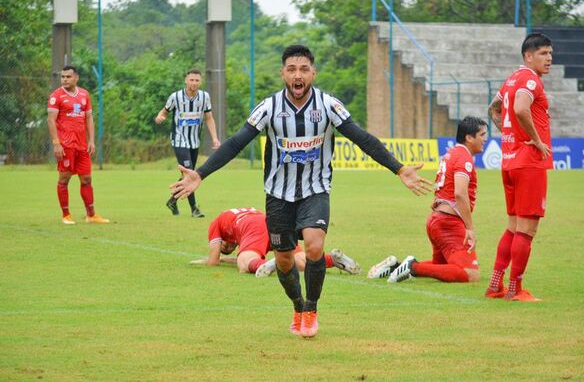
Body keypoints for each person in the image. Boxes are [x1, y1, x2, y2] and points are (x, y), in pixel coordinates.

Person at [170, 45, 432, 338]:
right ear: (283, 73)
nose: (298, 75)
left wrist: (398, 168)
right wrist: (201, 173)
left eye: (304, 69)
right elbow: (236, 143)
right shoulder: (268, 108)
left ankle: (311, 308)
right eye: (292, 69)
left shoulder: (329, 106)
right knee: (283, 259)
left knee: (314, 246)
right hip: (278, 195)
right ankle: (297, 305)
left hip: (315, 190)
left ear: (313, 73)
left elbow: (362, 138)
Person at [367, 116, 488, 284]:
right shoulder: (463, 157)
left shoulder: (451, 153)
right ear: (469, 137)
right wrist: (470, 228)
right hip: (449, 223)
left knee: (442, 265)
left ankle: (396, 267)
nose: (485, 139)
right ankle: (412, 268)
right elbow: (460, 193)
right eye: (482, 134)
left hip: (437, 220)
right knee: (469, 274)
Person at [484, 33, 554, 302]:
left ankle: (495, 285)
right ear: (528, 55)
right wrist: (535, 141)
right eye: (543, 53)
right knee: (527, 229)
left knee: (514, 226)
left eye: (550, 53)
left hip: (511, 161)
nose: (549, 58)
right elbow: (522, 108)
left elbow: (494, 108)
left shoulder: (512, 78)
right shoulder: (529, 80)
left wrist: (507, 133)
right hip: (529, 163)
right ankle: (515, 289)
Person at [188, 207, 361, 277]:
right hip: (271, 220)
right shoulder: (236, 215)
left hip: (252, 226)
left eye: (224, 246)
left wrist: (205, 261)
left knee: (243, 263)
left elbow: (213, 261)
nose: (229, 247)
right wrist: (226, 258)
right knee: (300, 262)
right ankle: (334, 260)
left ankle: (271, 265)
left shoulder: (216, 224)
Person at [47, 66, 109, 225]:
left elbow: (89, 118)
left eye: (68, 76)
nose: (65, 79)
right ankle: (66, 215)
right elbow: (51, 120)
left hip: (82, 146)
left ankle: (91, 215)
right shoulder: (56, 96)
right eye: (63, 77)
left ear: (76, 78)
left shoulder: (84, 94)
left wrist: (91, 141)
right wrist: (56, 143)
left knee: (87, 179)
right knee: (64, 178)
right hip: (66, 145)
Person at [155, 69, 221, 218]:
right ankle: (194, 209)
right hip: (179, 140)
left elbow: (209, 118)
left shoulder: (204, 97)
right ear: (186, 80)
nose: (194, 83)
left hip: (194, 141)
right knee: (190, 172)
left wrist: (215, 138)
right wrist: (159, 117)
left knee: (190, 174)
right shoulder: (176, 97)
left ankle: (172, 200)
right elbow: (164, 112)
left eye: (197, 80)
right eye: (191, 80)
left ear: (200, 82)